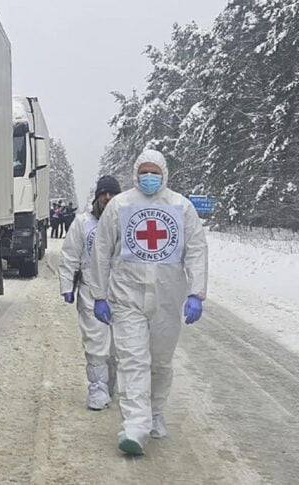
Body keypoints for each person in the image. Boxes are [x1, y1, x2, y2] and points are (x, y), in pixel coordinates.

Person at [89, 149, 208, 456]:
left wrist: (196, 292)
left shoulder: (181, 207)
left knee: (160, 361)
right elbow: (102, 251)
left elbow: (196, 250)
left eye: (155, 171)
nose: (149, 177)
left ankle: (155, 411)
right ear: (135, 172)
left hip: (168, 298)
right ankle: (134, 426)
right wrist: (99, 295)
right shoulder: (120, 205)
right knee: (132, 360)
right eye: (144, 171)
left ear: (164, 173)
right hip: (127, 296)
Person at [59, 175, 122, 411]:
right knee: (96, 342)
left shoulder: (126, 222)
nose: (108, 198)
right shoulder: (83, 223)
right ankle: (97, 387)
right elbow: (69, 255)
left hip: (123, 290)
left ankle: (112, 385)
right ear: (97, 197)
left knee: (121, 344)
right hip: (91, 291)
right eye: (104, 194)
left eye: (113, 194)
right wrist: (67, 285)